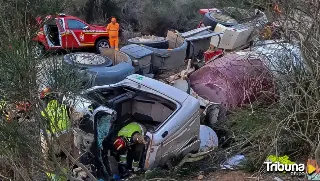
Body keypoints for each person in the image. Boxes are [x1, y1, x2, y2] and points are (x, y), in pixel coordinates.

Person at [40, 87, 74, 161]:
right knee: (66, 161)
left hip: (51, 142)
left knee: (51, 162)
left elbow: (43, 134)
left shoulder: (43, 112)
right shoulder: (64, 107)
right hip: (66, 140)